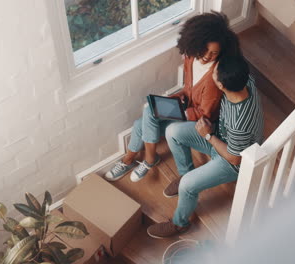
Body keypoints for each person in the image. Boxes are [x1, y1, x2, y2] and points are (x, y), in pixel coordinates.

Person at [105, 12, 240, 182]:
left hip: (199, 122)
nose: (207, 56)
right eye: (204, 49)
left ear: (220, 53)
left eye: (214, 53)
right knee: (141, 121)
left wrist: (177, 112)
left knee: (149, 115)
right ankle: (130, 159)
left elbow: (205, 114)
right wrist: (179, 97)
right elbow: (189, 88)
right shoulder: (192, 57)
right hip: (186, 108)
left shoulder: (215, 77)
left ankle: (148, 160)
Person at [146, 55, 264, 238]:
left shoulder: (240, 123)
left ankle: (180, 224)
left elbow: (235, 158)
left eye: (214, 73)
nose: (212, 72)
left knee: (187, 186)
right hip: (220, 136)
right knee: (173, 132)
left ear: (221, 85)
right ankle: (187, 174)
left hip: (231, 160)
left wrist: (207, 135)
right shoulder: (245, 80)